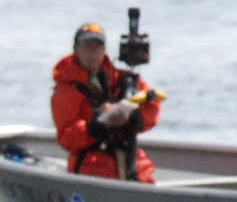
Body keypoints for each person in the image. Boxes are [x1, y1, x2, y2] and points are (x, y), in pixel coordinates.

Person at [51, 20, 161, 182]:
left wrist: (131, 119)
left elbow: (152, 104)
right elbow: (67, 136)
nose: (92, 52)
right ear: (76, 50)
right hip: (91, 171)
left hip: (132, 166)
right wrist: (98, 124)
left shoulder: (122, 79)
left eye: (97, 47)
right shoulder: (66, 89)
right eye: (87, 46)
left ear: (104, 50)